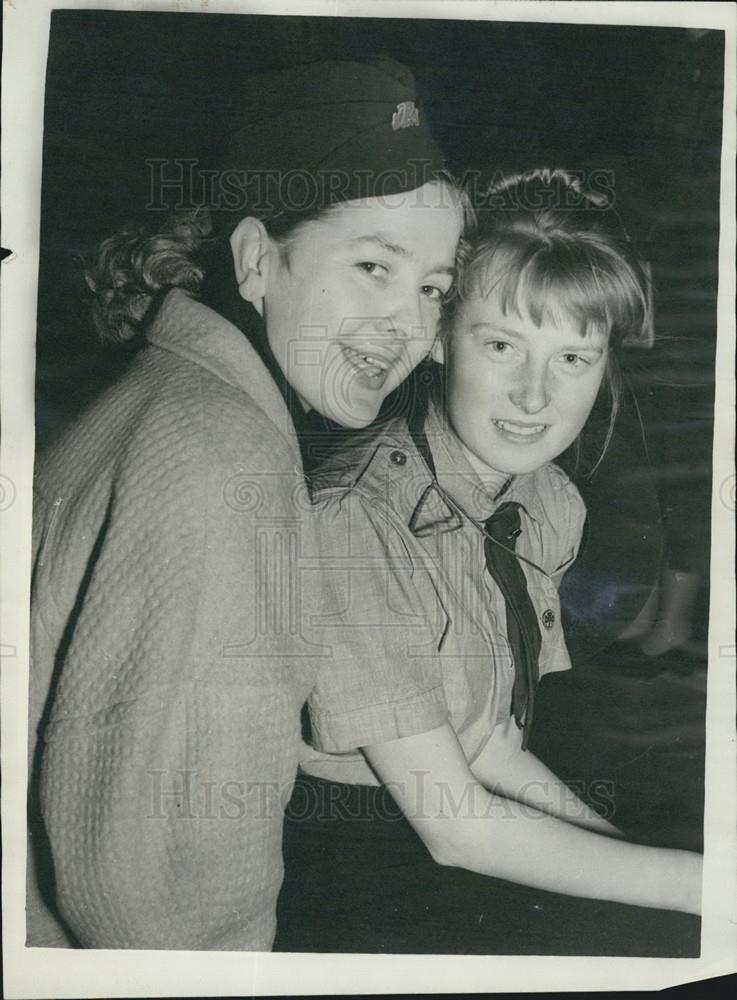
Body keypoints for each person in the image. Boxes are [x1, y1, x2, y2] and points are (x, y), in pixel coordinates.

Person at [26, 57, 465, 950]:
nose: (411, 329)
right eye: (373, 266)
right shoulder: (226, 459)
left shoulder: (175, 399)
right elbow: (163, 903)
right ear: (258, 259)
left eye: (433, 288)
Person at [274, 170, 703, 956]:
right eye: (502, 345)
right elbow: (454, 827)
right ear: (439, 338)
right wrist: (698, 888)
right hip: (341, 868)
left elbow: (489, 742)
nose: (534, 396)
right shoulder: (355, 519)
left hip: (453, 827)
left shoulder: (544, 502)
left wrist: (648, 862)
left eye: (573, 357)